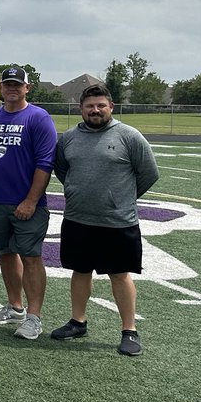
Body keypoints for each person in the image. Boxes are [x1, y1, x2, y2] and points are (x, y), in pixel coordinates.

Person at [50, 85, 159, 356]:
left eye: (100, 105)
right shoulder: (70, 138)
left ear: (111, 106)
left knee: (120, 274)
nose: (95, 110)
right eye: (90, 106)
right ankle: (78, 321)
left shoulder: (129, 136)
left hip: (118, 221)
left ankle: (129, 330)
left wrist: (119, 199)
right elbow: (62, 170)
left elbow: (148, 173)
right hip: (78, 218)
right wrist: (79, 192)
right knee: (80, 270)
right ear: (81, 109)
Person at [0, 66, 58, 341]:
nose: (11, 88)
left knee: (31, 257)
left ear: (27, 88)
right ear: (1, 88)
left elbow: (45, 163)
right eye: (7, 84)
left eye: (16, 84)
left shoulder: (39, 118)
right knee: (5, 254)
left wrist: (31, 200)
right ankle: (15, 307)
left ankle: (34, 317)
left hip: (26, 204)